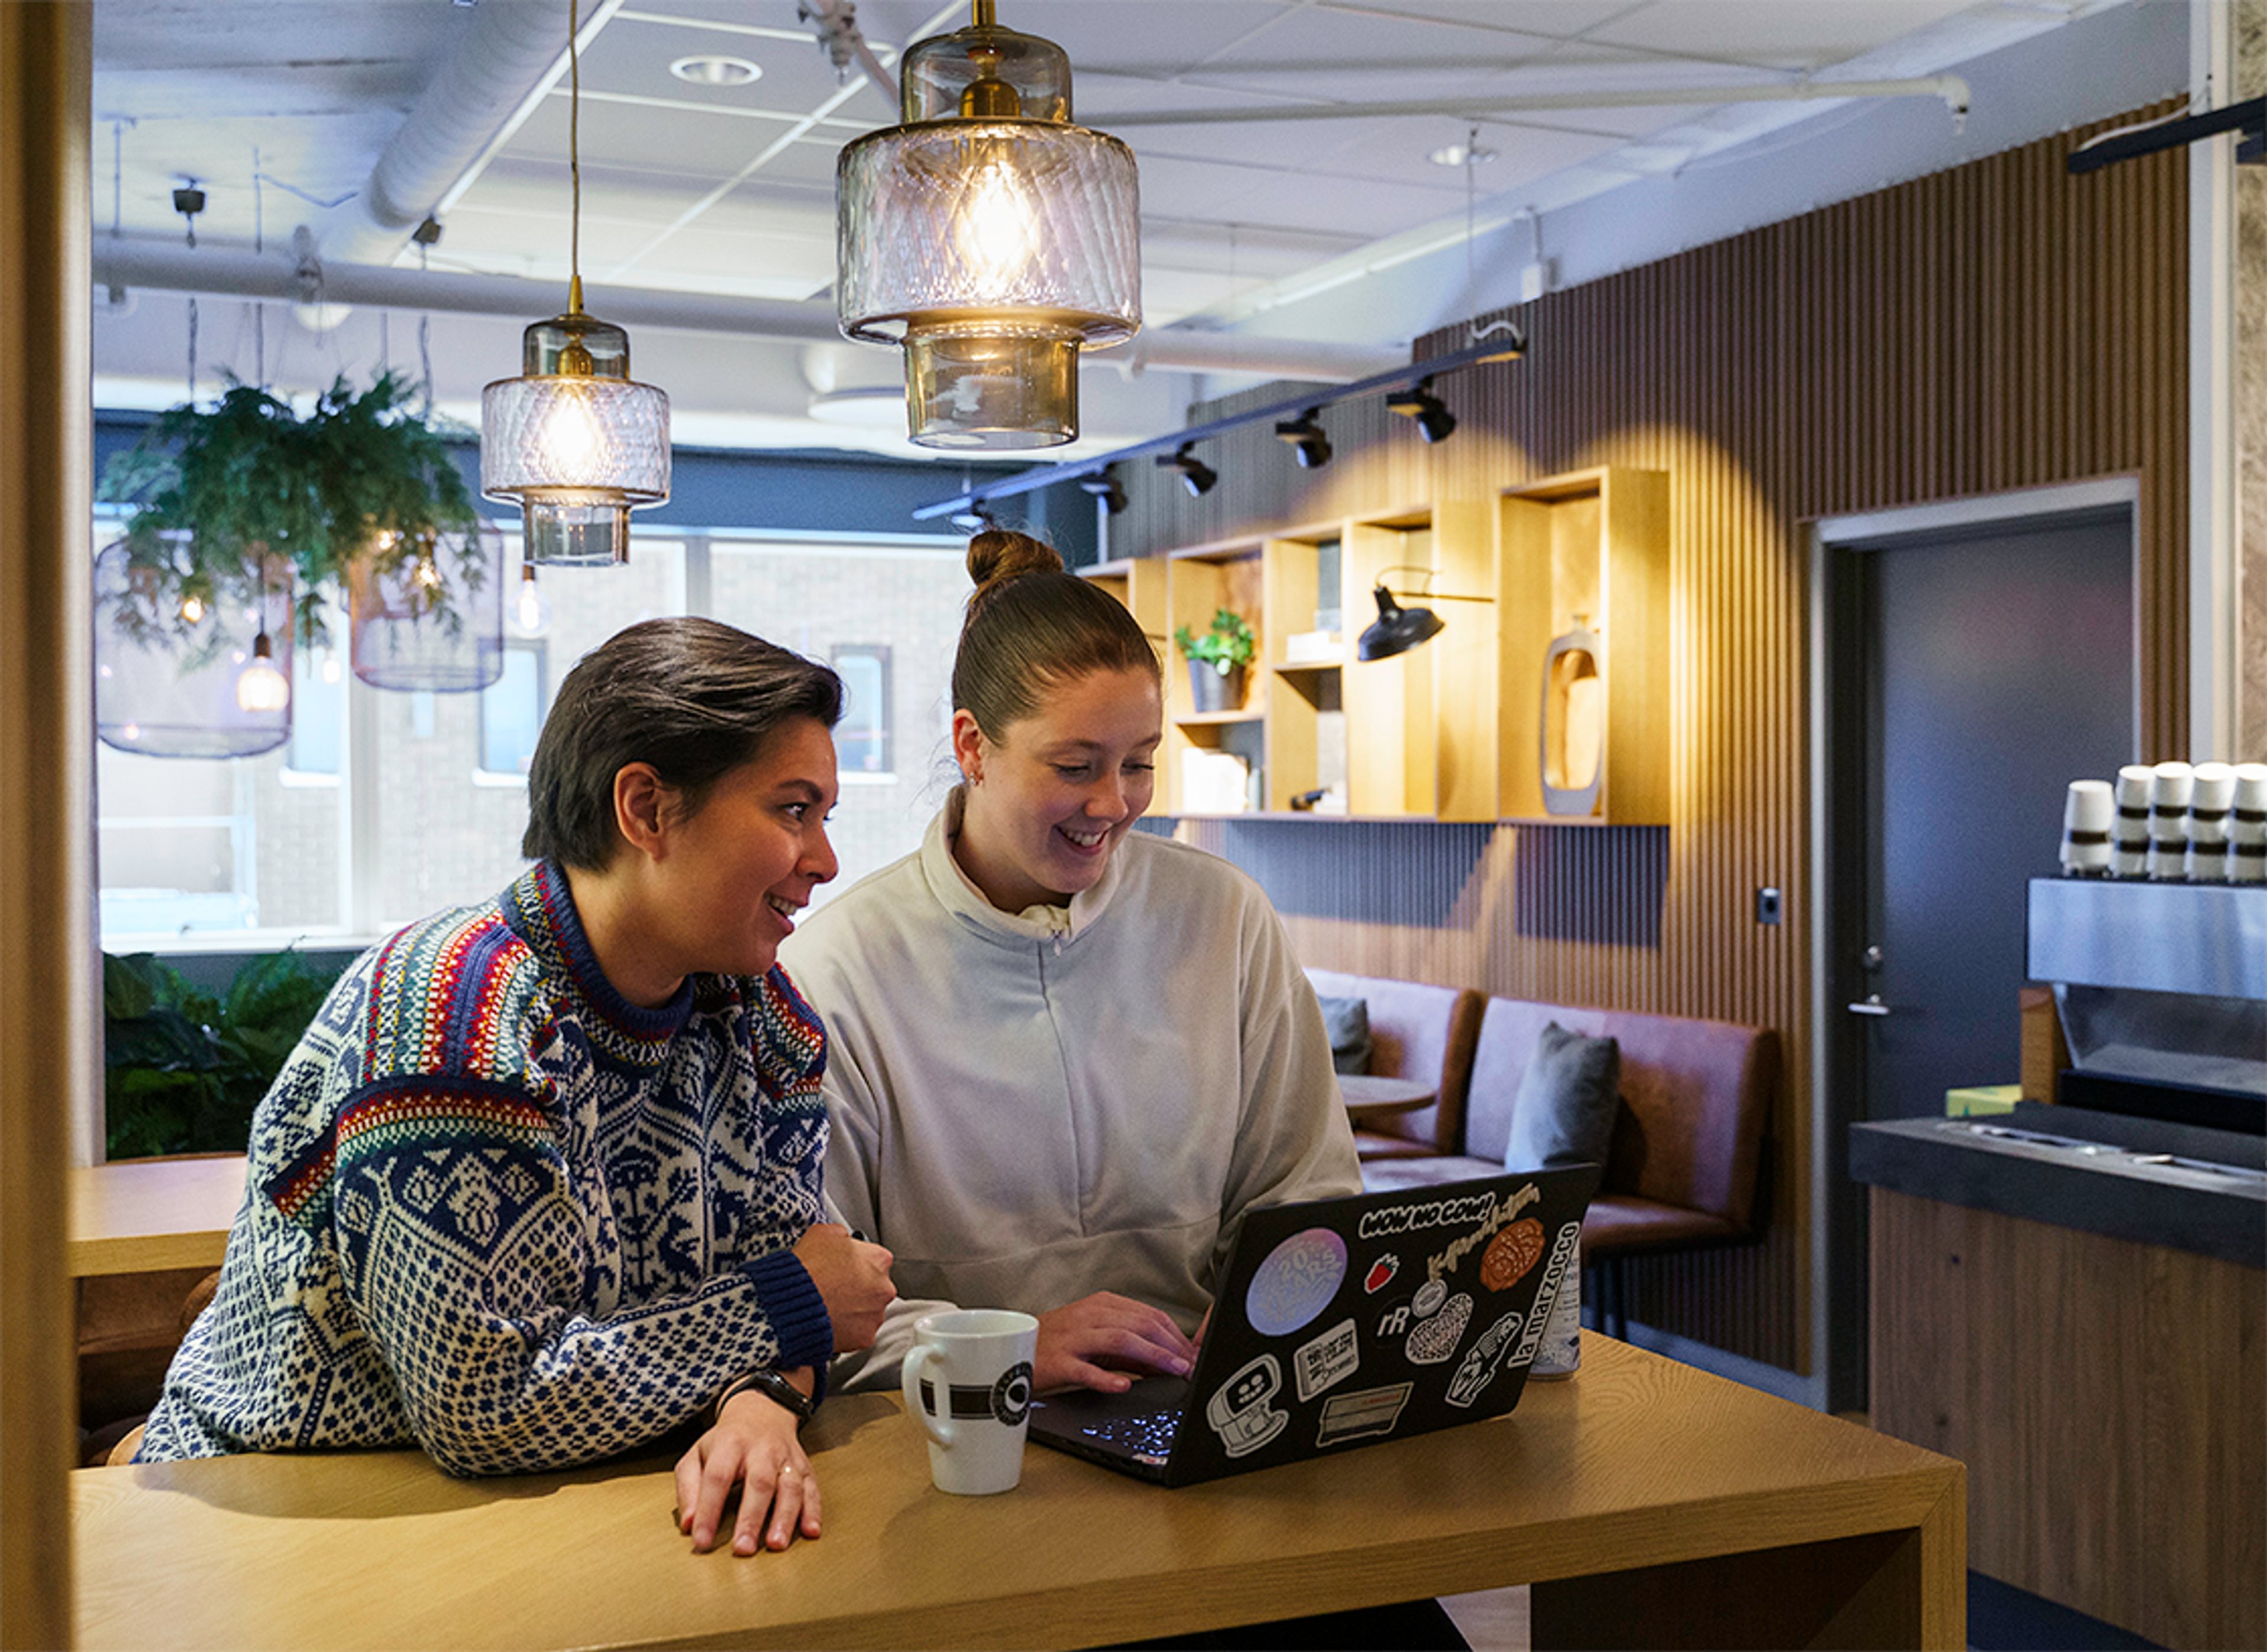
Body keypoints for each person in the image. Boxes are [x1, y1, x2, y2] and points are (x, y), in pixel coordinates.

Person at [137, 616, 897, 1561]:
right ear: (647, 809)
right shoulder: (452, 1019)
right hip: (278, 1520)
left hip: (571, 1516)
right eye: (793, 810)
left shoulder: (761, 1019)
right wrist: (782, 1311)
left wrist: (759, 1400)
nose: (823, 859)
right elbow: (486, 1406)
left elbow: (803, 1286)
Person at [780, 531, 1364, 1398]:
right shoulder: (840, 969)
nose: (1114, 803)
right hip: (956, 1439)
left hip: (1204, 1406)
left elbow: (1309, 1190)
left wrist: (1263, 1310)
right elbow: (819, 1296)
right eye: (1075, 766)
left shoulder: (1225, 919)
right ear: (973, 746)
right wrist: (1005, 1346)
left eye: (1140, 764)